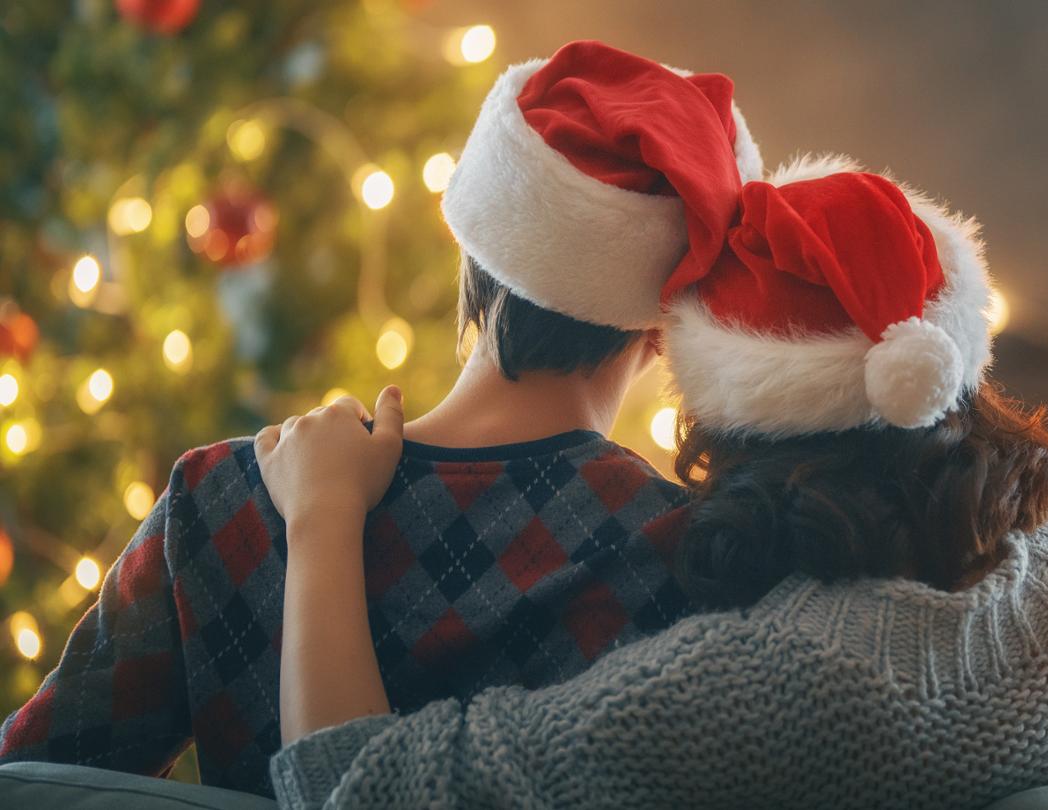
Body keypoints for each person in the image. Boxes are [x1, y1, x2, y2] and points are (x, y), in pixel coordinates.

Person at [257, 157, 1048, 808]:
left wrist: (325, 513)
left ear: (727, 429)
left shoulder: (744, 691)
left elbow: (357, 789)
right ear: (957, 372)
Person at [0, 40, 762, 796]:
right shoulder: (682, 554)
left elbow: (30, 777)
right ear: (669, 326)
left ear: (470, 244)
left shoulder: (222, 495)